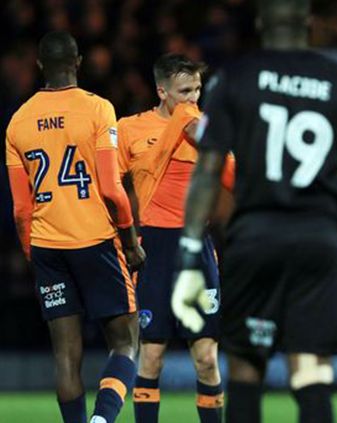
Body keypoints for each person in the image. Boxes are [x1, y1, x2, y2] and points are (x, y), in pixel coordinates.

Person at [170, 1, 337, 422]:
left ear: (260, 24)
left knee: (246, 365)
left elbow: (206, 173)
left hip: (253, 238)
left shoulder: (234, 79)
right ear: (310, 24)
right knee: (311, 368)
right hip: (319, 240)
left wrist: (188, 254)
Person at [5, 31, 145, 423]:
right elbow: (113, 190)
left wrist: (34, 252)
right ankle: (102, 419)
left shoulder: (18, 121)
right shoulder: (98, 110)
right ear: (79, 62)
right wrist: (131, 240)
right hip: (96, 240)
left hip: (48, 245)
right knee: (125, 341)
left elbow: (20, 208)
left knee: (65, 356)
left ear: (39, 67)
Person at [117, 53, 234, 423]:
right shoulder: (130, 129)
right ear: (162, 91)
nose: (192, 98)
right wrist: (125, 238)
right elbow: (110, 188)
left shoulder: (208, 129)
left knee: (206, 357)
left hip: (197, 246)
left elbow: (235, 178)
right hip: (154, 250)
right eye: (185, 91)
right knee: (151, 356)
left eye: (198, 89)